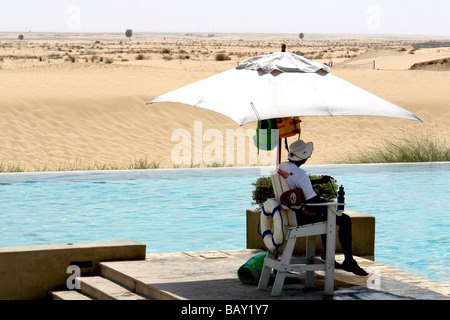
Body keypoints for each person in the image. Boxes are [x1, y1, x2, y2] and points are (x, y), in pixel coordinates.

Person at [277, 139, 368, 276]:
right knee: (343, 219)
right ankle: (348, 260)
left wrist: (316, 181)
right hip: (300, 217)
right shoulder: (300, 174)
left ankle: (327, 255)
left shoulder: (282, 166)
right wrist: (329, 204)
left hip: (289, 213)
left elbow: (294, 183)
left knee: (325, 214)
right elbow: (312, 199)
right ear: (304, 156)